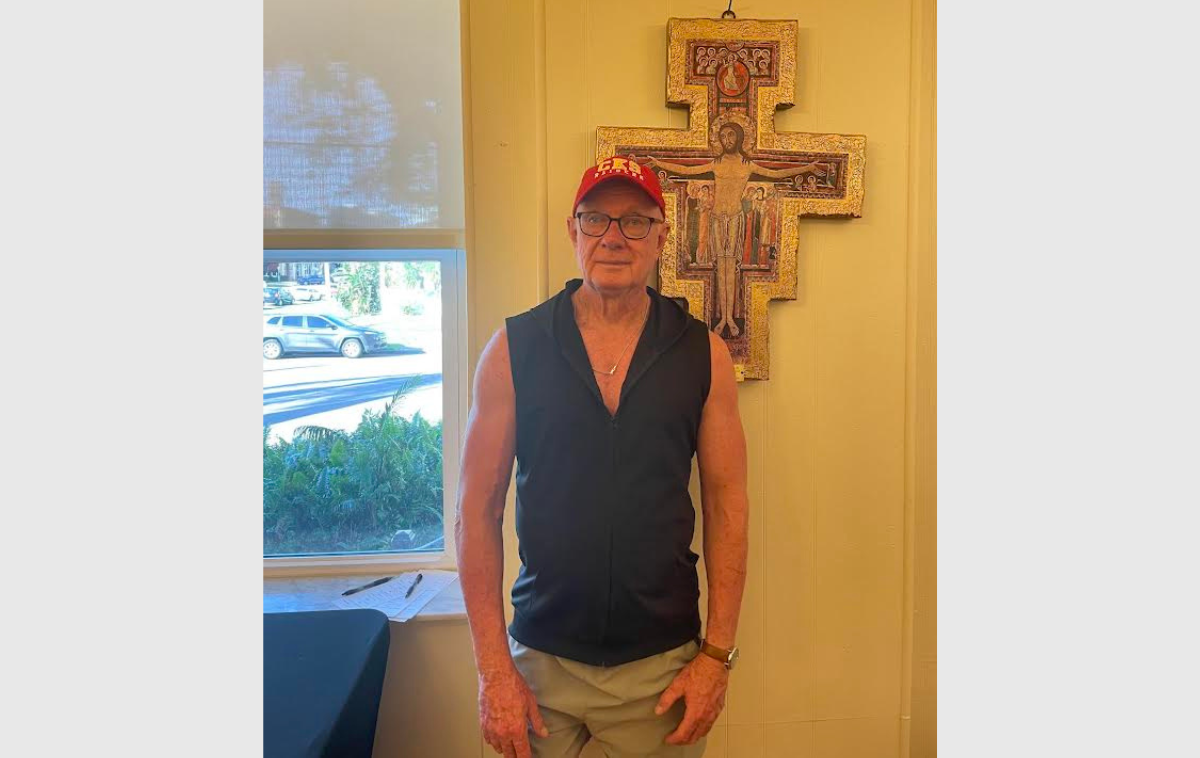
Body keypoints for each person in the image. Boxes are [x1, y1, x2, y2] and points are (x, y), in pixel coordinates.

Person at [456, 155, 750, 758]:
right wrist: (493, 669)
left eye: (636, 221)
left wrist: (716, 657)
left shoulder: (703, 354)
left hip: (662, 670)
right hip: (539, 662)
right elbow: (473, 513)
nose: (614, 238)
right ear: (573, 230)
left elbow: (728, 507)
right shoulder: (514, 349)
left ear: (661, 237)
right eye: (596, 220)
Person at [650, 123, 825, 337]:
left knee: (730, 267)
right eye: (723, 136)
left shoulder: (747, 165)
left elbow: (776, 173)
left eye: (731, 135)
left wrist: (806, 168)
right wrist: (659, 163)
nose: (727, 139)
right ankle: (723, 317)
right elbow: (687, 170)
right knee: (720, 267)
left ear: (740, 138)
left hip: (734, 218)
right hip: (715, 218)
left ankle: (728, 318)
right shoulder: (716, 163)